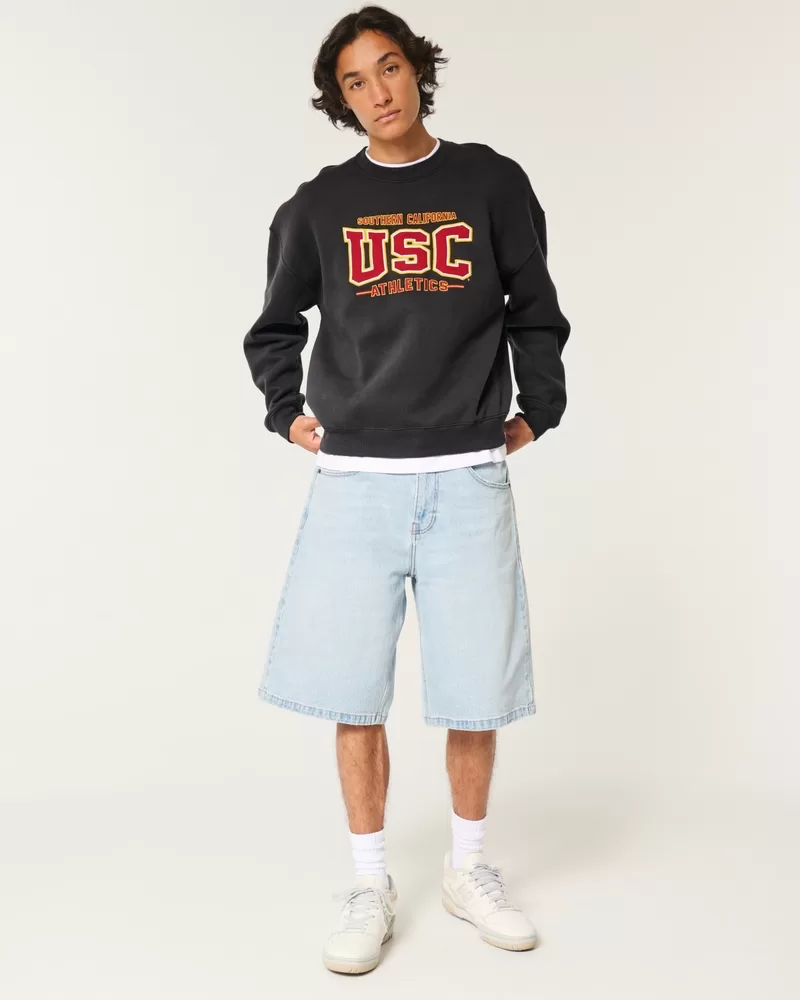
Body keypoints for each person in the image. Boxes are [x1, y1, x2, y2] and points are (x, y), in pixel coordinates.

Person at [242, 4, 570, 975]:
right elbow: (273, 325)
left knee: (474, 691)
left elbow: (534, 308)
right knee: (354, 692)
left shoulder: (489, 182)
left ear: (417, 71)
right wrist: (287, 410)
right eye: (355, 81)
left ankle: (468, 869)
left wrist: (539, 408)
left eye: (388, 68)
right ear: (339, 101)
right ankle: (370, 882)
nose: (377, 91)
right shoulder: (318, 205)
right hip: (356, 482)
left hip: (465, 473)